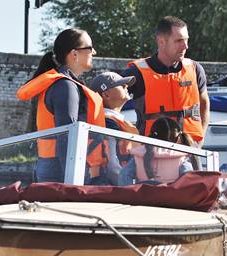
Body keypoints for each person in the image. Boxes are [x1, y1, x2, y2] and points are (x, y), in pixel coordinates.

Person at [16, 28, 104, 183]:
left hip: (52, 163)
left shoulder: (63, 84)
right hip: (60, 167)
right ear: (74, 54)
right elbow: (66, 135)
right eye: (89, 48)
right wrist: (73, 179)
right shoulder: (65, 86)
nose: (94, 52)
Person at [122, 16, 210, 145]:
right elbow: (111, 102)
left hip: (189, 151)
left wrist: (200, 140)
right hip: (151, 153)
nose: (185, 46)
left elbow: (204, 103)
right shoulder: (137, 72)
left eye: (186, 40)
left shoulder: (195, 69)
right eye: (179, 40)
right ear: (161, 41)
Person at [88, 70, 138, 185]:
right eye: (122, 85)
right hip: (115, 187)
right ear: (106, 95)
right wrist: (129, 187)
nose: (126, 87)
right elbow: (112, 164)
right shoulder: (108, 122)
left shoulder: (112, 120)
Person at [132, 117, 198, 184]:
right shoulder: (183, 158)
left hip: (144, 193)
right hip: (173, 194)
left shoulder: (138, 156)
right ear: (178, 138)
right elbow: (189, 182)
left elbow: (123, 176)